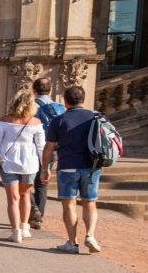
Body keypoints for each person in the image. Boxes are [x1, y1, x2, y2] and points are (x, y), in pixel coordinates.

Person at [40, 85, 102, 254]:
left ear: (65, 101)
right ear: (83, 99)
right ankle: (90, 235)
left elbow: (48, 148)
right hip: (91, 166)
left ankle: (72, 242)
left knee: (69, 204)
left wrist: (44, 169)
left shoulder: (59, 120)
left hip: (67, 166)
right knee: (90, 203)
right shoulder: (95, 117)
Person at [0, 91, 45, 243]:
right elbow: (41, 147)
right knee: (25, 194)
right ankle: (25, 228)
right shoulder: (36, 122)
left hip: (9, 161)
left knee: (13, 198)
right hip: (30, 163)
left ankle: (16, 232)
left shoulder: (5, 120)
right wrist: (45, 165)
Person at [29, 77, 65, 230]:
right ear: (50, 90)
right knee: (42, 183)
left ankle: (33, 207)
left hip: (32, 148)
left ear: (34, 90)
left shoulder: (31, 106)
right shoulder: (60, 107)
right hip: (52, 149)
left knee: (23, 183)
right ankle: (38, 218)